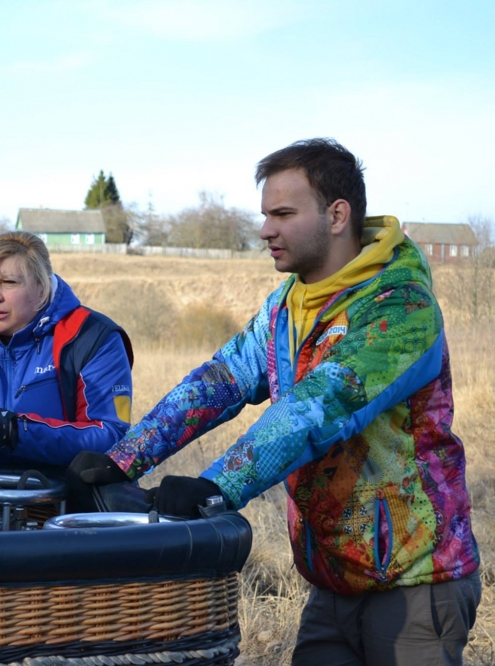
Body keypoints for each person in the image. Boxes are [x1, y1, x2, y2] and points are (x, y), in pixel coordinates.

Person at [68, 139, 481, 665]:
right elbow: (219, 381)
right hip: (334, 582)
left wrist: (216, 485)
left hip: (417, 582)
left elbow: (317, 407)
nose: (266, 230)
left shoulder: (400, 308)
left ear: (337, 215)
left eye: (283, 214)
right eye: (265, 214)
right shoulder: (288, 307)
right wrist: (123, 458)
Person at [0, 230, 133, 469]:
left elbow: (114, 438)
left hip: (61, 502)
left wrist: (18, 433)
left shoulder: (92, 337)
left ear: (41, 289)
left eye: (9, 282)